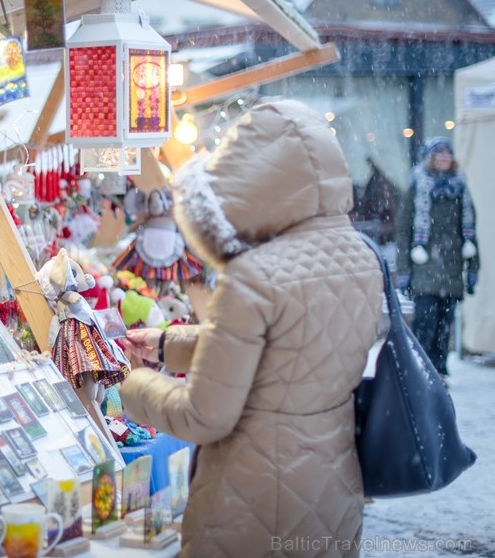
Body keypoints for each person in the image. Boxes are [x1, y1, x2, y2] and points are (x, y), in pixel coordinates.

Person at [120, 99, 383, 557]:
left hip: (252, 499)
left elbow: (202, 415)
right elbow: (289, 350)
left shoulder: (255, 276)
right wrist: (166, 344)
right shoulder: (360, 257)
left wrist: (132, 385)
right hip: (333, 484)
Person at [395, 136, 479, 379]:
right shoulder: (418, 185)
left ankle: (439, 370)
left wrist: (474, 267)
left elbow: (471, 231)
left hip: (452, 269)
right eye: (439, 153)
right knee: (425, 322)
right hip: (425, 270)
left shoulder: (460, 187)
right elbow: (404, 230)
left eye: (447, 154)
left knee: (444, 324)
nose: (444, 157)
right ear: (430, 157)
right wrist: (403, 270)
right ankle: (422, 369)